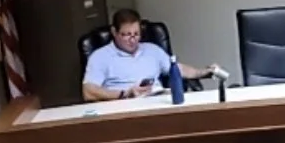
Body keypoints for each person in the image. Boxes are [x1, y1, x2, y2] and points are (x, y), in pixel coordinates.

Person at [81, 10, 221, 102]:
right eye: (127, 35)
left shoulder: (152, 50)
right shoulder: (100, 57)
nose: (133, 40)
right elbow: (89, 92)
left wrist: (204, 72)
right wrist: (125, 94)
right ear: (114, 32)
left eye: (136, 34)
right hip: (123, 108)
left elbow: (177, 69)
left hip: (156, 103)